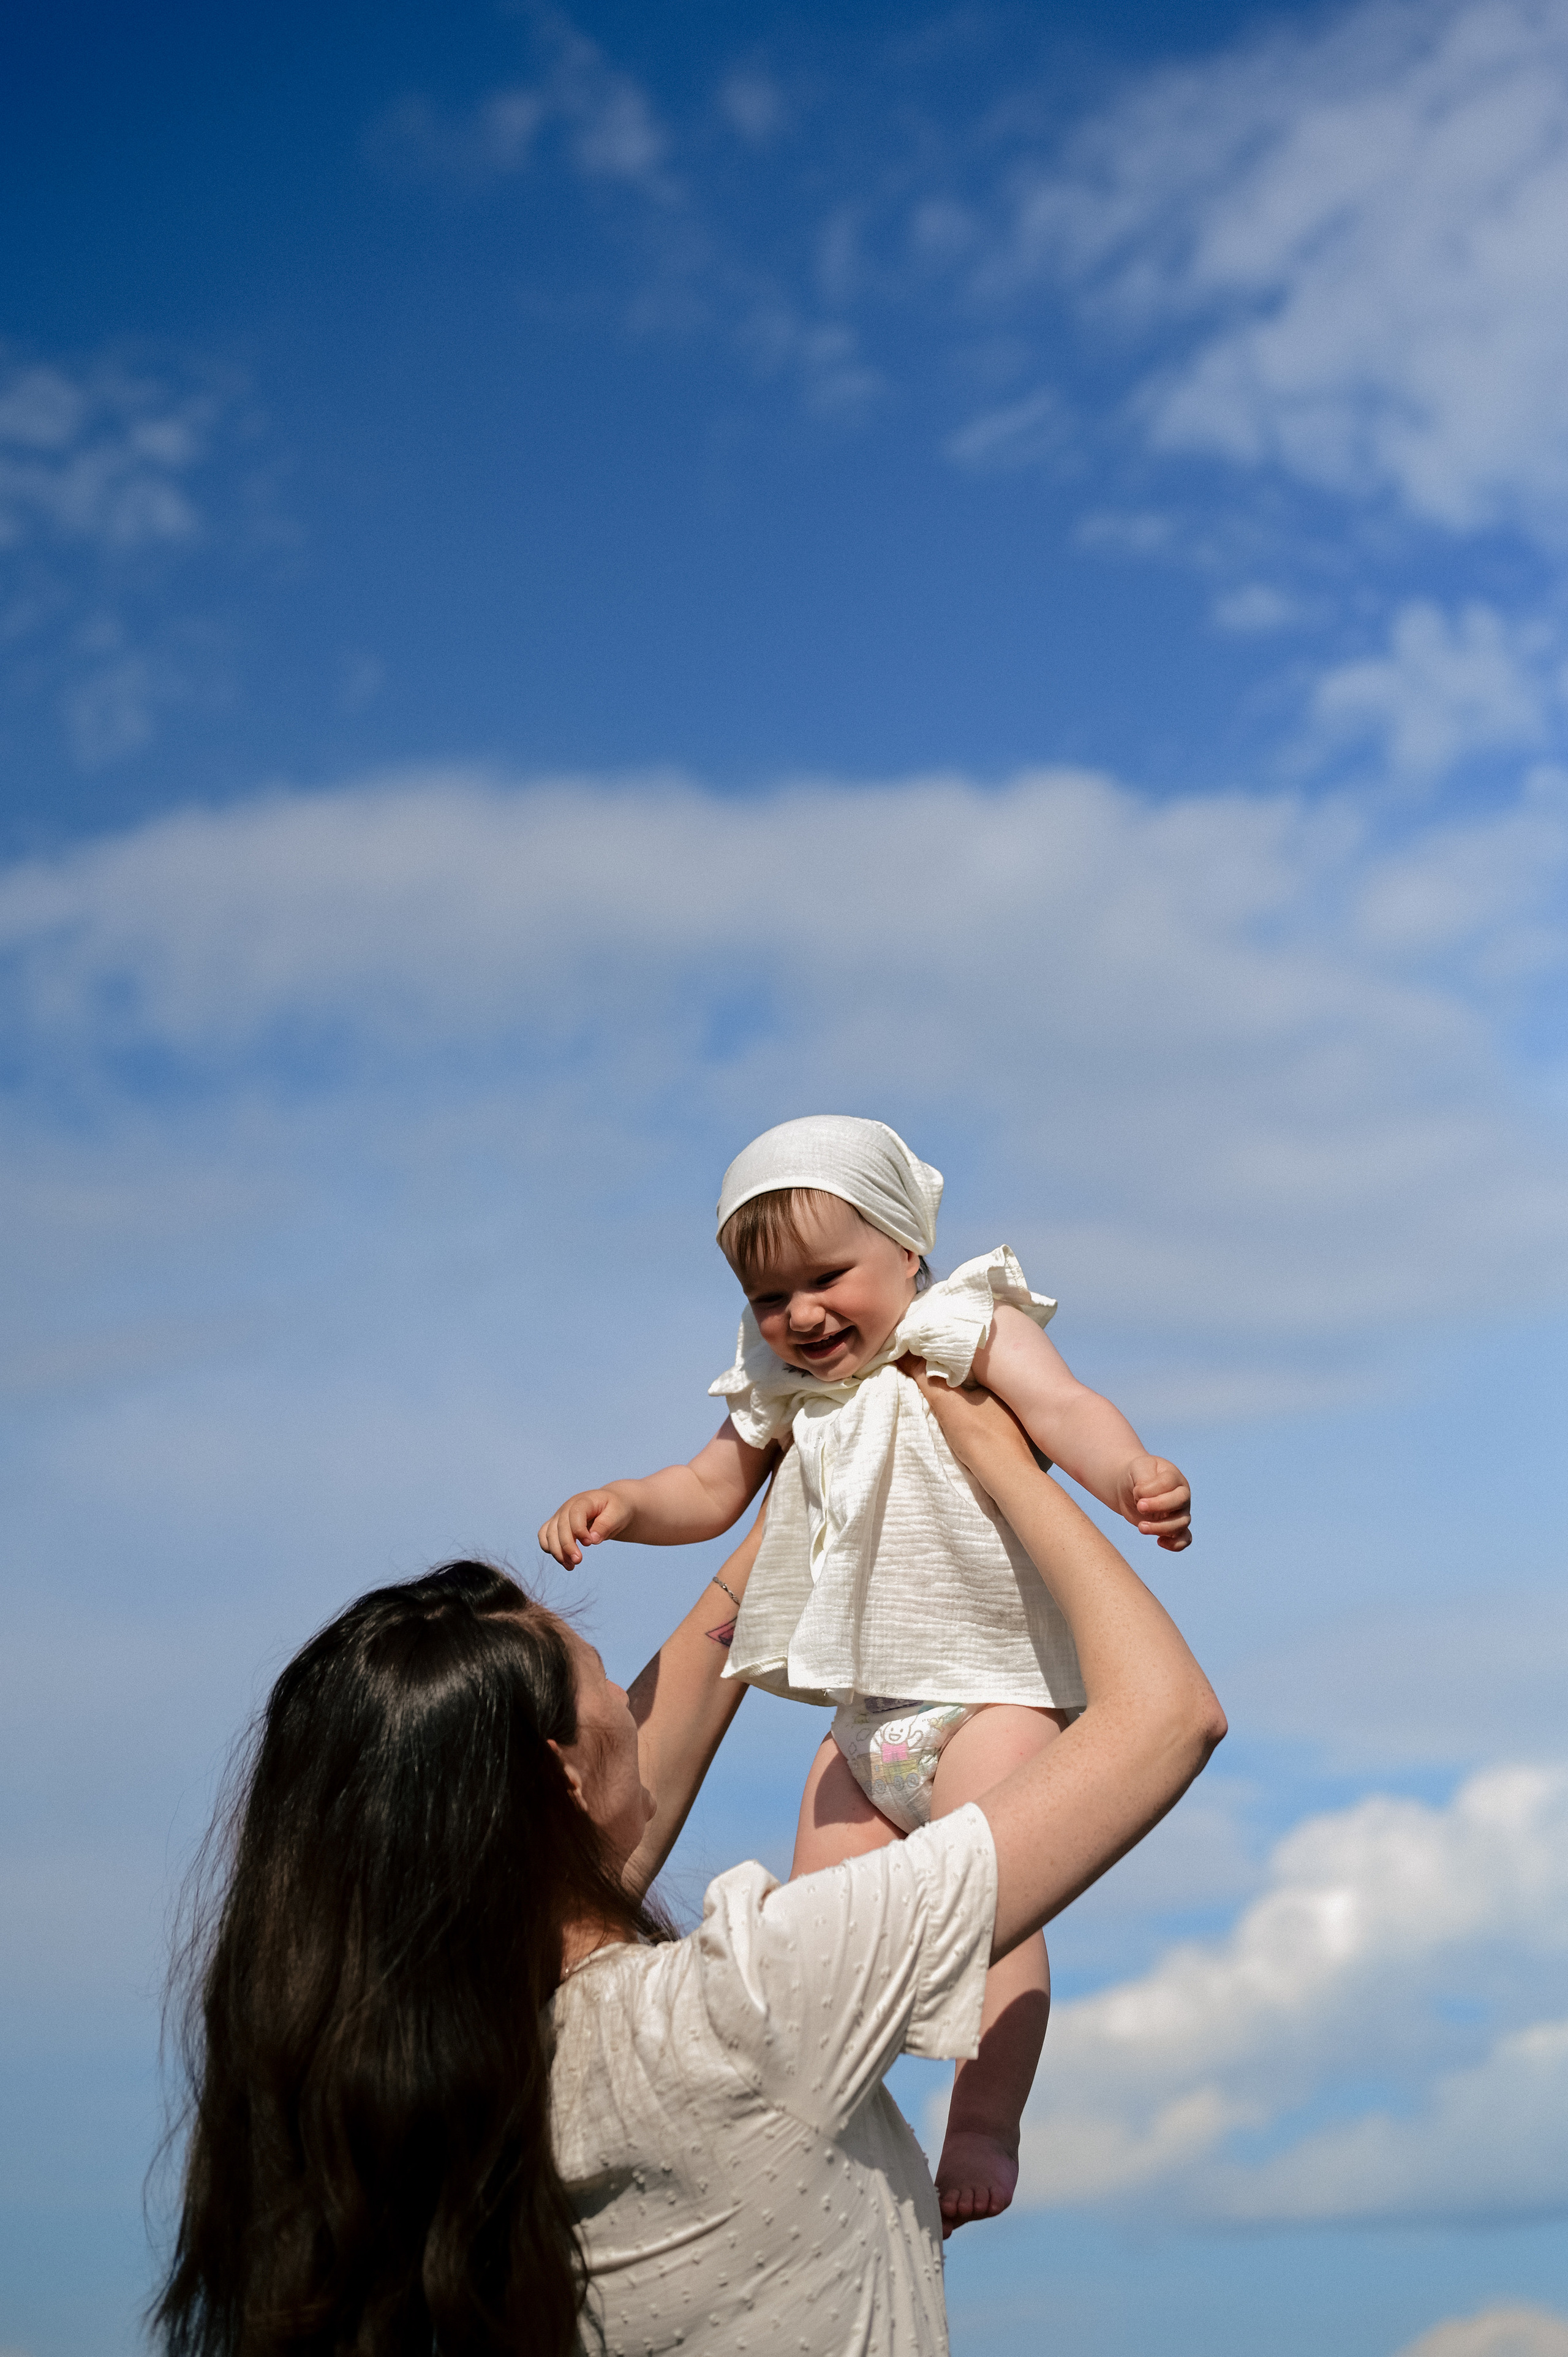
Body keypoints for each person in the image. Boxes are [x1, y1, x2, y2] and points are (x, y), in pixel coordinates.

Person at [155, 1369, 1224, 2357]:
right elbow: (1168, 1716)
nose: (632, 1704)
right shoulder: (751, 2008)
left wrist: (799, 1503)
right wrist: (995, 1455)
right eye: (603, 1680)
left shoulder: (463, 2077)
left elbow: (603, 1806)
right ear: (560, 1778)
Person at [538, 1114, 1193, 2228]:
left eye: (825, 1278)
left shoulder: (960, 1325)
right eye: (768, 1297)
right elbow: (707, 1489)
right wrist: (627, 1506)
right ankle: (820, 2122)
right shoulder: (781, 1386)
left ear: (906, 1247)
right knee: (815, 1934)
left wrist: (1131, 1474)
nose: (799, 1316)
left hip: (985, 1694)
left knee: (991, 1910)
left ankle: (984, 2118)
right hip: (862, 1724)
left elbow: (1064, 1410)